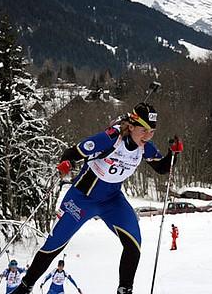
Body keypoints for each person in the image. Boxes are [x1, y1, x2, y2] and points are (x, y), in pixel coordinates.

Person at [11, 102, 183, 294]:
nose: (147, 136)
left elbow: (162, 168)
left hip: (112, 200)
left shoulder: (145, 148)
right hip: (82, 199)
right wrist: (65, 164)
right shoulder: (109, 139)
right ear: (131, 126)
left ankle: (125, 290)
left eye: (151, 132)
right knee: (54, 245)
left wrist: (173, 153)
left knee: (134, 244)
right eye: (144, 130)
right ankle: (25, 286)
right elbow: (71, 153)